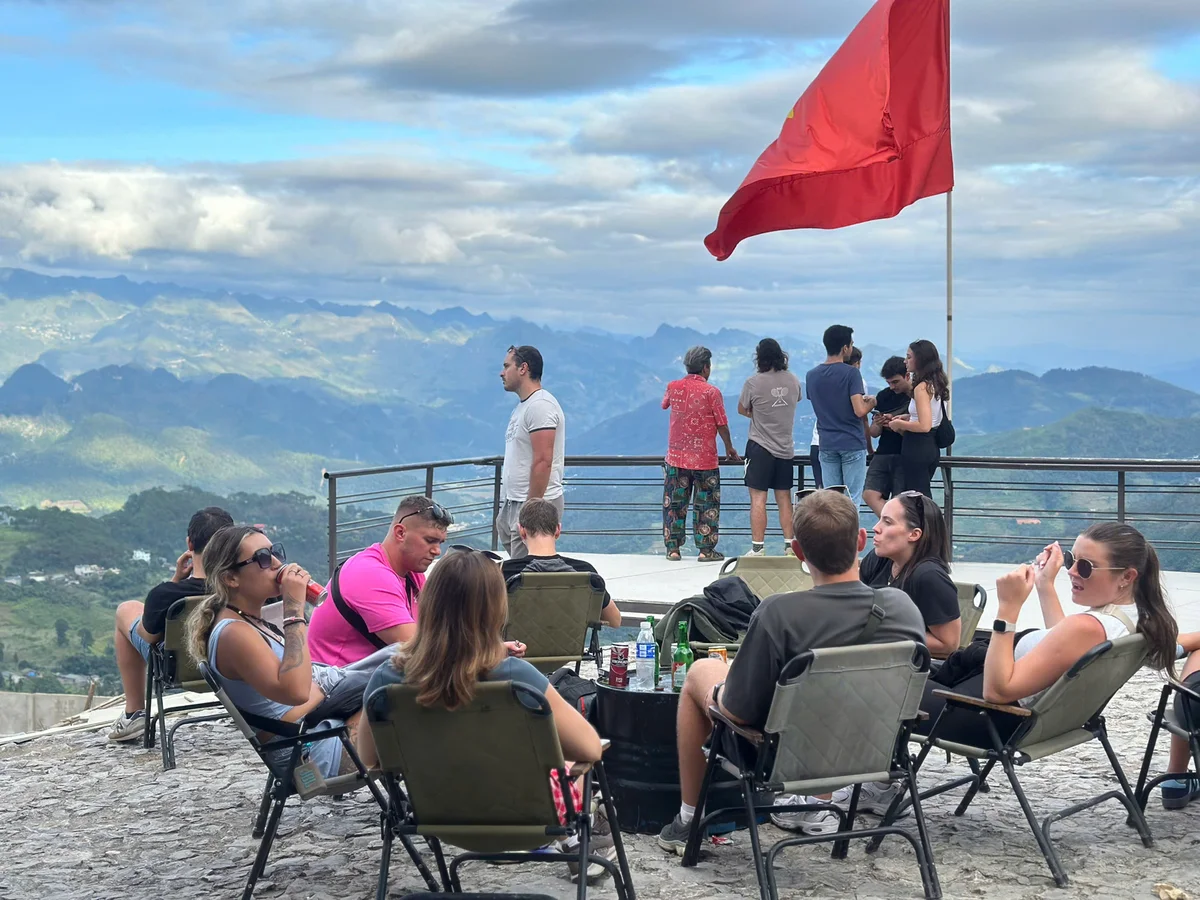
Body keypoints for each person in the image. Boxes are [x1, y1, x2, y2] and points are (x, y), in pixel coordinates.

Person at [657, 490, 926, 853]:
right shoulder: (903, 607)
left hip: (786, 760)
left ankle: (689, 820)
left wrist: (716, 691)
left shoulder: (779, 615)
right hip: (876, 751)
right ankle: (815, 805)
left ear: (798, 552)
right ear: (861, 540)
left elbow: (737, 712)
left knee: (700, 673)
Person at [360, 550, 615, 881]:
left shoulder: (386, 679)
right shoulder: (517, 678)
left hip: (438, 817)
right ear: (496, 609)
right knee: (572, 762)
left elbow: (369, 758)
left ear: (428, 604)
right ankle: (581, 839)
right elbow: (590, 748)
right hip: (530, 821)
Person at [920, 523, 1178, 750]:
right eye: (1071, 559)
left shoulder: (1088, 627)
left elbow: (997, 693)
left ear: (1127, 576)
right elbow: (1063, 645)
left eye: (1085, 567)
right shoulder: (1137, 619)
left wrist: (1008, 608)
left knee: (895, 684)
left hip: (982, 715)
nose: (1072, 571)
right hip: (1001, 709)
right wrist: (1045, 584)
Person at [186, 526, 398, 779]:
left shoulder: (250, 621)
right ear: (230, 578)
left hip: (320, 725)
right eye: (263, 558)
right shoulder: (234, 633)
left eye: (275, 552)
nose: (277, 563)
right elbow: (297, 693)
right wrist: (294, 609)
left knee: (407, 657)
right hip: (313, 751)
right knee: (408, 677)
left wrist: (322, 685)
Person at [107, 506, 235, 742]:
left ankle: (134, 714)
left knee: (126, 609)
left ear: (189, 544)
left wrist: (175, 581)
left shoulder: (166, 595)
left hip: (179, 670)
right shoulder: (245, 589)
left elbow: (147, 636)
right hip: (237, 668)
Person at [307, 496, 450, 666]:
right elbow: (419, 651)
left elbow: (434, 624)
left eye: (440, 542)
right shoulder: (370, 574)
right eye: (430, 541)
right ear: (400, 533)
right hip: (335, 678)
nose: (437, 551)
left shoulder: (412, 572)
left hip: (368, 675)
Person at [662, 346, 741, 562]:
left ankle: (673, 549)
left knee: (675, 504)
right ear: (706, 367)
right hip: (705, 459)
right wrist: (729, 447)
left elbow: (664, 404)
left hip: (676, 457)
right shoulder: (711, 392)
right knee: (706, 505)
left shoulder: (673, 387)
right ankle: (706, 550)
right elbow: (721, 423)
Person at [859, 492, 962, 657]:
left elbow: (948, 644)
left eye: (887, 522)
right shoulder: (878, 560)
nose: (876, 528)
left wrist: (882, 636)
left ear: (914, 534)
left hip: (911, 666)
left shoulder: (929, 577)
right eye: (880, 520)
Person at [500, 498, 623, 627]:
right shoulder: (585, 573)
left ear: (521, 531)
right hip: (572, 641)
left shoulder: (504, 572)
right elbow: (615, 621)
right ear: (558, 530)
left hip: (515, 641)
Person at [497, 344, 566, 559]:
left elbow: (543, 460)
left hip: (533, 503)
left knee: (527, 570)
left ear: (523, 368)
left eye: (506, 366)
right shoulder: (524, 406)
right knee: (520, 565)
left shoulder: (540, 406)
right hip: (515, 501)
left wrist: (530, 508)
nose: (502, 373)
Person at [738, 338, 801, 557]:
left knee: (758, 498)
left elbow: (741, 408)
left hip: (760, 446)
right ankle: (790, 546)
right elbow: (797, 400)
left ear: (759, 358)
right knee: (784, 498)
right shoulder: (793, 380)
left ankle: (758, 548)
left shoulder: (753, 383)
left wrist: (758, 415)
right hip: (785, 447)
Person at [805, 325, 875, 522]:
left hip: (826, 443)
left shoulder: (812, 375)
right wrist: (872, 402)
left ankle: (833, 538)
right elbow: (859, 410)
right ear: (845, 348)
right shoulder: (851, 374)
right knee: (851, 500)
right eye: (851, 344)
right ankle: (851, 540)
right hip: (851, 442)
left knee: (831, 501)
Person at [887, 340, 948, 499]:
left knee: (917, 495)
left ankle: (927, 516)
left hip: (917, 446)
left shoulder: (921, 387)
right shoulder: (936, 383)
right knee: (921, 491)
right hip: (931, 445)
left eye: (909, 357)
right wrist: (908, 417)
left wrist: (899, 424)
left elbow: (924, 425)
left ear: (920, 360)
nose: (905, 361)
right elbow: (931, 415)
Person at [863, 357, 914, 517]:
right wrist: (879, 423)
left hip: (905, 453)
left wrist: (897, 425)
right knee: (869, 494)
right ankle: (894, 522)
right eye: (889, 383)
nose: (892, 387)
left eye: (895, 382)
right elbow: (874, 432)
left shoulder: (915, 397)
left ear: (907, 376)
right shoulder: (884, 396)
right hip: (883, 451)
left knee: (900, 500)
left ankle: (895, 523)